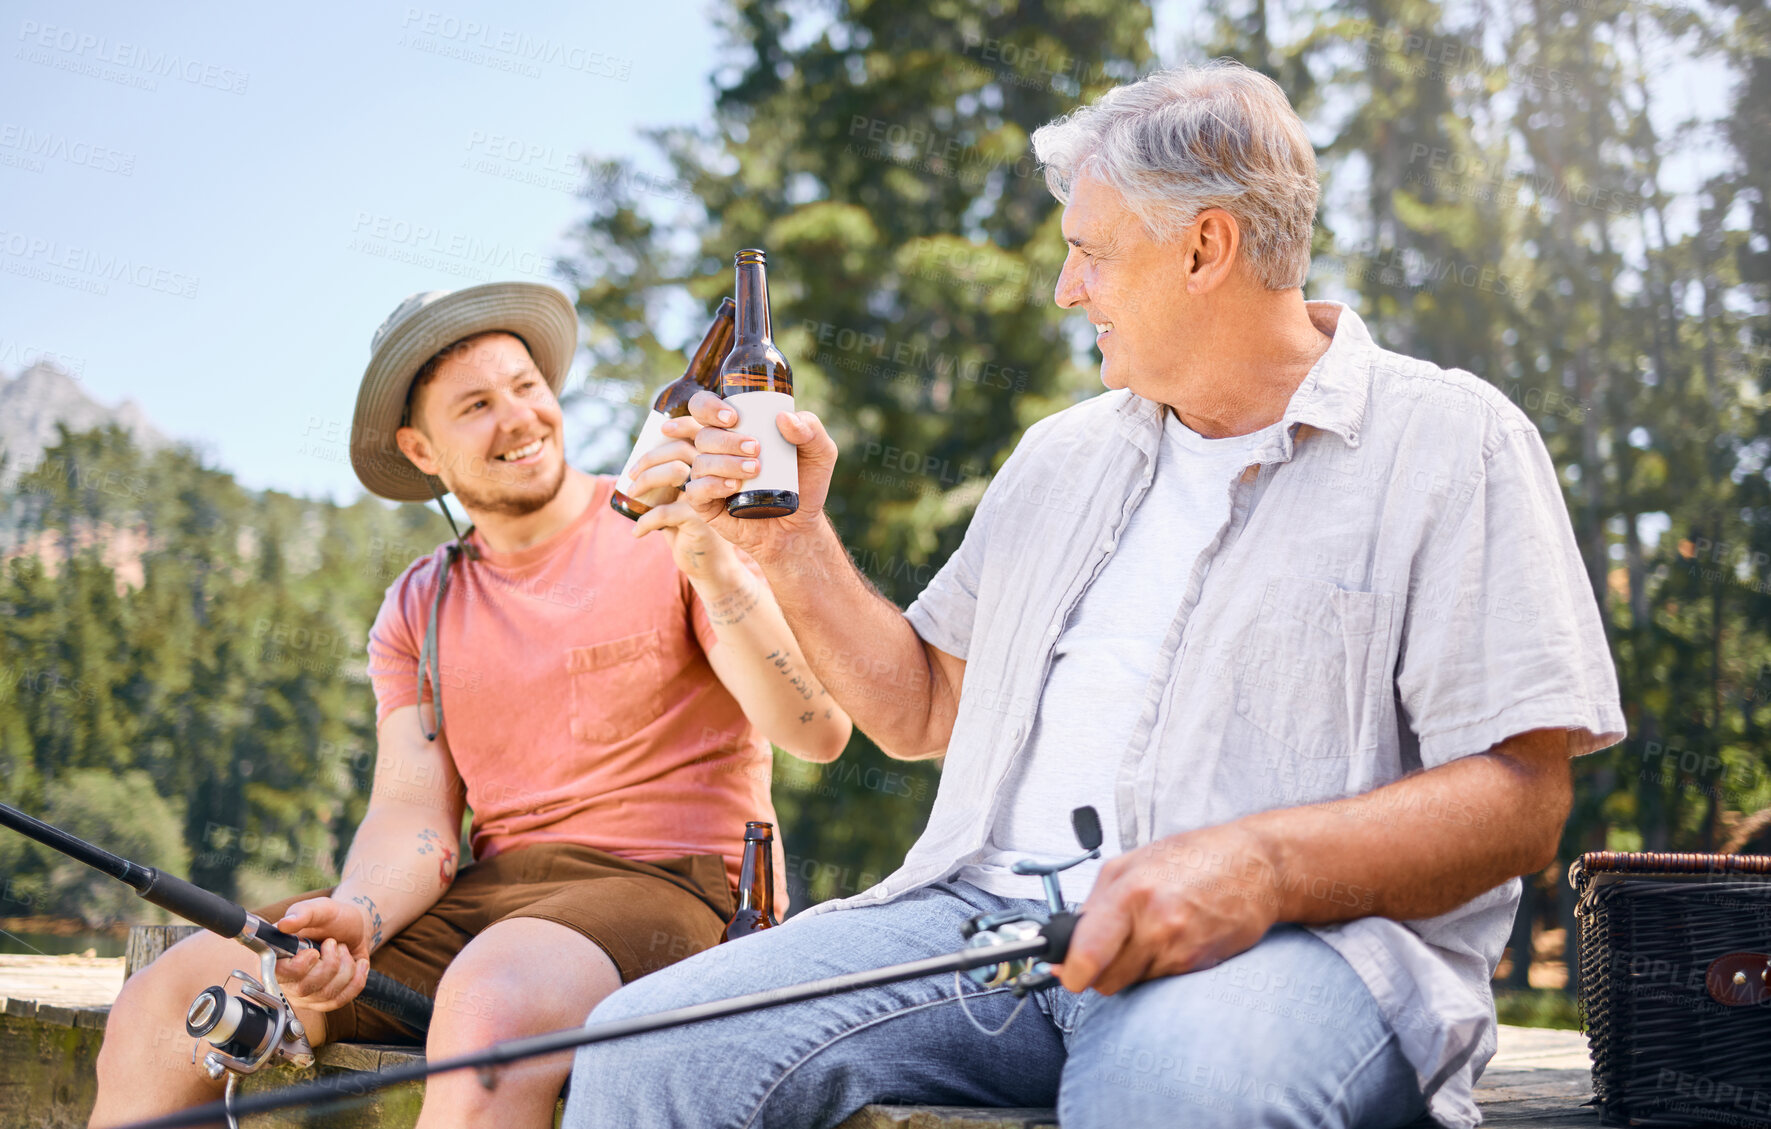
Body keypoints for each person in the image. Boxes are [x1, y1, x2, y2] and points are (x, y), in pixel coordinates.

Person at [563, 61, 1624, 1129]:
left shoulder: (1449, 439)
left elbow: (1518, 799)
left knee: (1170, 1098)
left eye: (1090, 251)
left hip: (1294, 955)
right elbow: (920, 706)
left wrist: (1254, 866)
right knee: (641, 1052)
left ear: (1205, 246)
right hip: (981, 932)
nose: (1069, 288)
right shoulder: (1058, 456)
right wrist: (791, 544)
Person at [91, 282, 852, 1129]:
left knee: (488, 999)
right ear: (421, 449)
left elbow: (816, 730)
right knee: (165, 998)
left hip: (679, 887)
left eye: (527, 388)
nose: (519, 419)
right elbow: (413, 819)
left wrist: (713, 563)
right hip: (493, 899)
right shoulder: (421, 601)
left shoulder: (675, 530)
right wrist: (361, 916)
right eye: (477, 405)